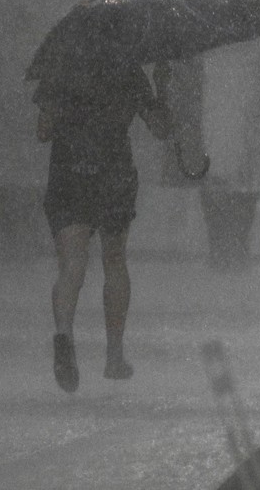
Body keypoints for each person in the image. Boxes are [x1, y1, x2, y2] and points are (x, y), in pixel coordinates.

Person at [35, 61, 173, 392]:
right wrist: (162, 87)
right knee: (114, 260)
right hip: (113, 173)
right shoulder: (127, 69)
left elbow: (43, 131)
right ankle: (114, 356)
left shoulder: (62, 67)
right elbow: (160, 129)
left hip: (70, 170)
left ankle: (64, 334)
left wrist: (66, 109)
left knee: (72, 264)